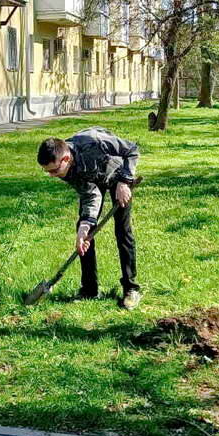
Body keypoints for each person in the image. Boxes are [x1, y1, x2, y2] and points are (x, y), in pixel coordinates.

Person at [37, 127, 142, 309]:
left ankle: (131, 288)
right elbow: (90, 194)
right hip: (95, 181)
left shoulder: (93, 141)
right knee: (84, 232)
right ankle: (89, 290)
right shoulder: (64, 169)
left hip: (118, 175)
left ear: (66, 159)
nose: (52, 175)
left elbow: (131, 150)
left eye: (53, 171)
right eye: (48, 172)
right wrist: (85, 226)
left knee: (122, 231)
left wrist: (125, 181)